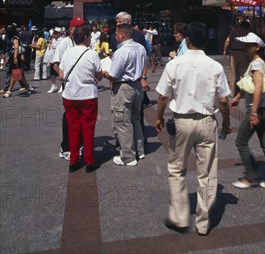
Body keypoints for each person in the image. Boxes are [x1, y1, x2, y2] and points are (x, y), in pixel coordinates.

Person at [155, 22, 231, 236]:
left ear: (187, 40)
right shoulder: (215, 66)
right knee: (207, 173)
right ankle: (203, 222)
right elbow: (224, 100)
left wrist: (158, 117)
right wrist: (226, 122)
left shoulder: (175, 64)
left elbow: (162, 96)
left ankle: (179, 216)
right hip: (207, 121)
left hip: (181, 122)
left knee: (177, 169)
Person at [231, 32, 265, 191]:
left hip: (257, 109)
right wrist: (239, 96)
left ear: (257, 47)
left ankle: (251, 177)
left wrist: (253, 112)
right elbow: (250, 83)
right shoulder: (257, 62)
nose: (246, 47)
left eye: (249, 45)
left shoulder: (256, 64)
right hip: (264, 107)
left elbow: (258, 87)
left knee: (240, 141)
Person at [59, 24, 103, 173]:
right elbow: (99, 76)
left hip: (70, 96)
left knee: (73, 129)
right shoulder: (92, 54)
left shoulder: (67, 53)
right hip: (88, 96)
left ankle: (73, 160)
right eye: (89, 36)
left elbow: (61, 75)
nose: (90, 39)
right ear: (85, 38)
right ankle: (89, 161)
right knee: (88, 129)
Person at [103, 23, 148, 166]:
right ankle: (139, 150)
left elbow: (113, 75)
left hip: (124, 87)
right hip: (137, 85)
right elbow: (144, 63)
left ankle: (128, 156)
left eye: (116, 34)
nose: (115, 37)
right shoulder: (140, 47)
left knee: (122, 122)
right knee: (135, 119)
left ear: (121, 35)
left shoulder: (121, 51)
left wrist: (104, 73)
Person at [54, 17, 87, 160]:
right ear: (71, 29)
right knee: (68, 117)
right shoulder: (64, 43)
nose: (82, 30)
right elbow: (56, 64)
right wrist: (63, 76)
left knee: (81, 117)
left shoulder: (85, 42)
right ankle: (66, 146)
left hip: (82, 87)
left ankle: (79, 144)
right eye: (79, 27)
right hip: (69, 85)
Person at [2, 25, 33, 98]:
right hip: (13, 57)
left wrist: (15, 57)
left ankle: (9, 91)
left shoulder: (15, 38)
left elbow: (16, 48)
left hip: (16, 57)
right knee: (20, 75)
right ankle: (28, 87)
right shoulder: (12, 38)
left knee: (15, 74)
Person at [223, 19, 251, 97]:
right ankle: (243, 92)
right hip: (244, 53)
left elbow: (228, 41)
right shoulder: (248, 32)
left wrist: (225, 50)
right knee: (244, 73)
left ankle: (232, 92)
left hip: (234, 53)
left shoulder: (234, 31)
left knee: (233, 73)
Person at [47, 27, 63, 93]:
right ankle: (53, 85)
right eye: (54, 32)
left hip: (59, 57)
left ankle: (63, 84)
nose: (54, 34)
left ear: (59, 33)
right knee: (52, 72)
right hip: (52, 57)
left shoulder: (62, 40)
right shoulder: (52, 39)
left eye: (56, 32)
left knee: (59, 71)